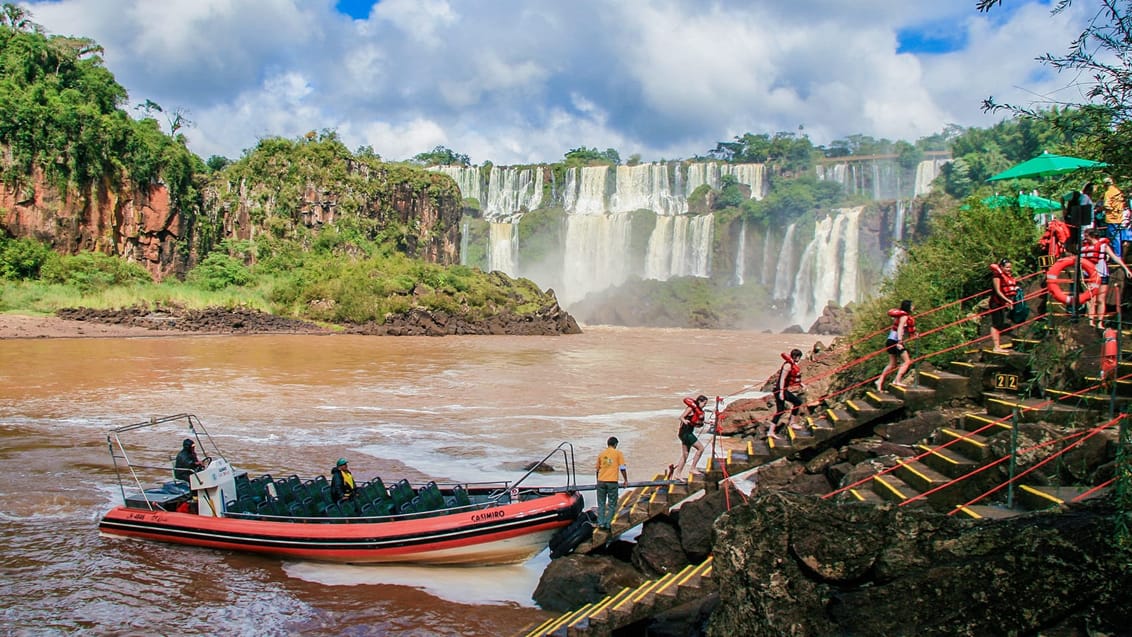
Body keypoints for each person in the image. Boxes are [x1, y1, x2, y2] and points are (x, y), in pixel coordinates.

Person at [1081, 228, 1132, 328]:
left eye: (1086, 235)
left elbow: (1115, 257)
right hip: (1090, 276)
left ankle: (1100, 323)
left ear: (1091, 235)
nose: (1084, 237)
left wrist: (1126, 269)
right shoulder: (1084, 247)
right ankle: (1090, 322)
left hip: (1102, 275)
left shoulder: (1103, 246)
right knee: (1091, 299)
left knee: (1101, 299)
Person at [875, 301, 915, 389]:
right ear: (908, 307)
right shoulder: (904, 316)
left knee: (892, 364)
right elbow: (900, 328)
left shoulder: (900, 316)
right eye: (912, 305)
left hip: (890, 340)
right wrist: (900, 341)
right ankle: (897, 381)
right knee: (907, 361)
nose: (913, 307)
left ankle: (879, 381)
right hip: (896, 341)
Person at [768, 349, 806, 439]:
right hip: (779, 390)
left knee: (780, 410)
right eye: (799, 357)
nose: (799, 359)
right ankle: (791, 423)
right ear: (796, 357)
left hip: (781, 390)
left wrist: (801, 384)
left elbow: (793, 377)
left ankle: (771, 431)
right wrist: (781, 392)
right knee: (797, 402)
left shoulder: (792, 365)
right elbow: (782, 379)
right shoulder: (788, 365)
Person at [669, 394, 708, 480]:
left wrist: (707, 423)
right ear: (699, 401)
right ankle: (692, 468)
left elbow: (696, 421)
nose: (705, 405)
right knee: (700, 448)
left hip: (685, 433)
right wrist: (684, 420)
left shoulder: (698, 411)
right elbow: (681, 417)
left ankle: (677, 474)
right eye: (704, 403)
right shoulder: (690, 408)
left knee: (685, 455)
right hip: (686, 433)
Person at [595, 436, 627, 531]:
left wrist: (598, 480)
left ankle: (600, 523)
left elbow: (597, 469)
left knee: (601, 503)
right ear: (616, 444)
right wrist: (625, 480)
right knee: (612, 504)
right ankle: (608, 524)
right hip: (612, 482)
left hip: (601, 481)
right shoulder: (618, 453)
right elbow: (622, 468)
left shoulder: (601, 454)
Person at [988, 260, 1018, 352]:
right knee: (996, 324)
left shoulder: (1007, 277)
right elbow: (998, 291)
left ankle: (997, 346)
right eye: (1007, 267)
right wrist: (1008, 300)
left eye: (1010, 267)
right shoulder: (997, 276)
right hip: (995, 303)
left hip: (1002, 303)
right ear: (1001, 267)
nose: (1009, 269)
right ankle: (996, 347)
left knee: (1000, 323)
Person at [1102, 177, 1127, 257]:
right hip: (1120, 218)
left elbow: (1107, 205)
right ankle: (1118, 255)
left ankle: (1116, 256)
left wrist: (1103, 209)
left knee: (1112, 239)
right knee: (1118, 238)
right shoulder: (1118, 191)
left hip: (1111, 218)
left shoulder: (1108, 193)